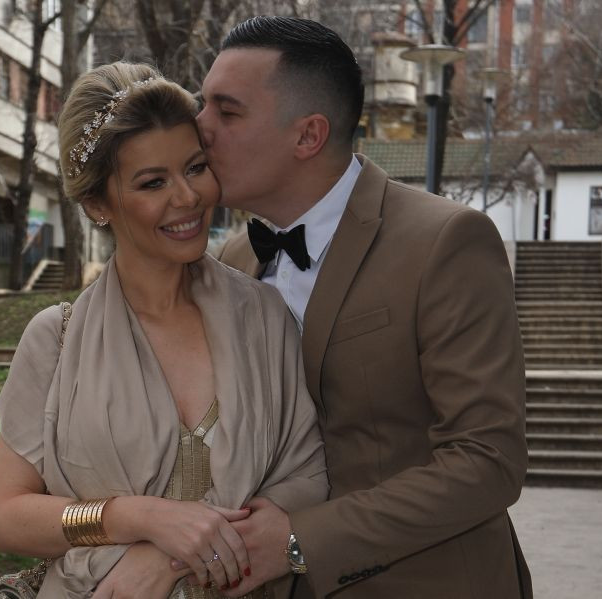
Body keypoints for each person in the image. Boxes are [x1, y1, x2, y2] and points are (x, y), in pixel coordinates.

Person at [196, 16, 532, 598]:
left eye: (226, 112)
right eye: (203, 105)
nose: (199, 127)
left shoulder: (446, 241)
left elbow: (488, 459)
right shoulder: (231, 258)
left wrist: (300, 541)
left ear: (308, 135)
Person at [0, 62, 327, 599]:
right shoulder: (56, 340)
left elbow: (308, 481)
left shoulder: (265, 315)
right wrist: (137, 518)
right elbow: (6, 518)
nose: (187, 197)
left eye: (195, 168)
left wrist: (169, 560)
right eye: (153, 182)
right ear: (98, 204)